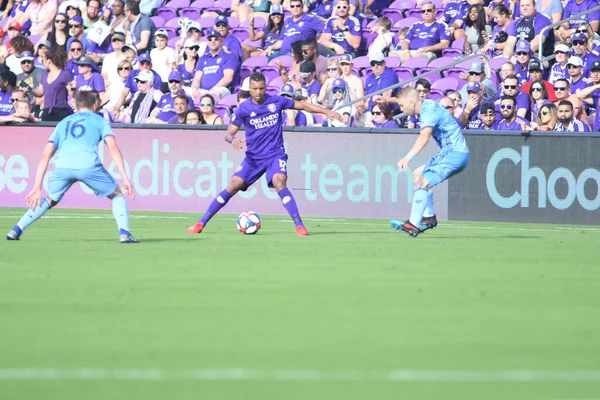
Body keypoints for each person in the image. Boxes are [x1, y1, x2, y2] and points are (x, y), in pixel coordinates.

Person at [187, 72, 343, 237]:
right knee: (233, 185)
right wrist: (232, 140)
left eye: (262, 88)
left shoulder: (276, 101)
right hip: (253, 158)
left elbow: (303, 106)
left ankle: (299, 226)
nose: (259, 92)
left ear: (266, 87)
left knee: (279, 181)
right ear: (250, 89)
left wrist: (326, 112)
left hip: (275, 155)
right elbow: (228, 133)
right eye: (255, 89)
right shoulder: (244, 109)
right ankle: (201, 223)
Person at [6, 90, 138, 244]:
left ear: (76, 104)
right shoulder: (100, 120)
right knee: (116, 194)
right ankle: (124, 233)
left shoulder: (64, 122)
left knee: (50, 199)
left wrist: (36, 187)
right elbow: (113, 148)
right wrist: (125, 178)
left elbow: (45, 155)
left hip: (62, 166)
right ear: (95, 104)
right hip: (87, 165)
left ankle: (16, 229)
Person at [377, 87, 469, 237]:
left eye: (402, 106)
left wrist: (407, 157)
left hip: (453, 154)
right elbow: (407, 98)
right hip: (456, 153)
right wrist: (388, 100)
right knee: (418, 174)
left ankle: (413, 224)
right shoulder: (426, 104)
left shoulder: (428, 112)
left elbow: (424, 137)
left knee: (422, 183)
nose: (401, 109)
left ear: (412, 102)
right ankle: (429, 216)